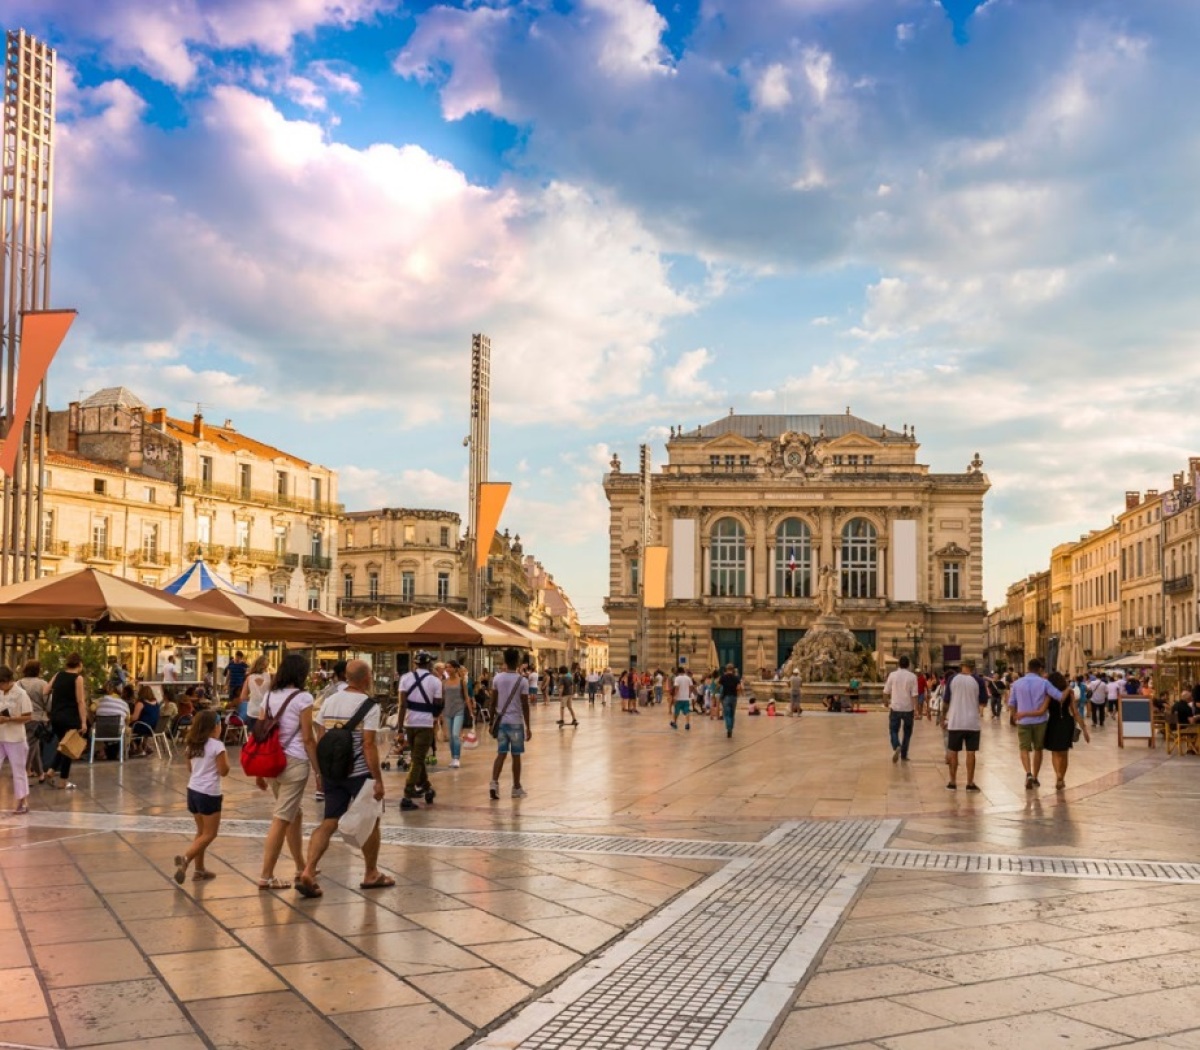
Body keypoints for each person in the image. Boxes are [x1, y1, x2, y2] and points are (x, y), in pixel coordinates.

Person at [296, 659, 391, 898]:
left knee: (329, 821)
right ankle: (371, 873)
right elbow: (369, 745)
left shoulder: (330, 700)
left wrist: (320, 772)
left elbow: (320, 736)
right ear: (366, 678)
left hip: (332, 772)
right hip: (359, 773)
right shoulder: (369, 705)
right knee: (371, 822)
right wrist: (378, 779)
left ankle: (308, 870)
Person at [255, 653, 319, 891]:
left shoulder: (269, 696)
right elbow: (308, 738)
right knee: (282, 818)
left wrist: (259, 772)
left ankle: (300, 865)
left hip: (272, 762)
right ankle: (266, 875)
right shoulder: (303, 698)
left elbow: (260, 734)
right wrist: (318, 771)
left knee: (294, 813)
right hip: (294, 762)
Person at [174, 710, 229, 884]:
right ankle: (186, 859)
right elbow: (224, 770)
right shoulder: (216, 745)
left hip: (193, 791)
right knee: (210, 834)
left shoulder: (192, 745)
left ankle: (199, 870)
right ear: (215, 727)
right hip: (209, 793)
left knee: (201, 832)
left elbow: (190, 769)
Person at [398, 651, 442, 810]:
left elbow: (402, 705)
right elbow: (438, 704)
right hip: (426, 724)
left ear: (415, 663)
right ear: (429, 664)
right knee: (417, 759)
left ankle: (426, 787)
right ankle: (407, 795)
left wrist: (399, 728)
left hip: (410, 723)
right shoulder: (435, 681)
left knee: (418, 757)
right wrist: (435, 717)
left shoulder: (405, 678)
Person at [1008, 657, 1059, 789]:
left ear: (1028, 668)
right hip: (1040, 721)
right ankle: (1035, 776)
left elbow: (1011, 703)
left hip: (1023, 721)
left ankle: (1028, 773)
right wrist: (1068, 691)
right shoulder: (1044, 683)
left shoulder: (1017, 683)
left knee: (1023, 748)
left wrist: (1014, 715)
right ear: (1040, 669)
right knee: (1038, 749)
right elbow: (1058, 696)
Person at [489, 647, 532, 800]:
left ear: (505, 661)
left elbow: (492, 702)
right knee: (516, 755)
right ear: (518, 662)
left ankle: (494, 783)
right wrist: (528, 726)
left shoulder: (497, 678)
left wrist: (490, 722)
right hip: (516, 723)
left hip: (501, 722)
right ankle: (516, 787)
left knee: (501, 754)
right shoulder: (522, 681)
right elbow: (525, 705)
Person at [939, 659, 984, 791]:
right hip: (972, 722)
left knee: (953, 752)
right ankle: (970, 783)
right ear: (973, 667)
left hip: (955, 721)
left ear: (961, 667)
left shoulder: (952, 679)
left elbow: (946, 701)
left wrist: (943, 717)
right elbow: (982, 702)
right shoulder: (978, 680)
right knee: (971, 753)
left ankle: (952, 782)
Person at [46, 653, 88, 789]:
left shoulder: (58, 675)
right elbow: (80, 701)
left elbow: (45, 690)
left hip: (56, 717)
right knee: (69, 748)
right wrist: (83, 722)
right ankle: (63, 780)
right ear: (79, 664)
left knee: (63, 745)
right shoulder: (78, 678)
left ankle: (52, 770)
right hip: (70, 718)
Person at [1045, 670, 1089, 790]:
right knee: (1064, 753)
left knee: (1055, 752)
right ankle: (1062, 778)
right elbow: (1075, 712)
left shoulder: (1048, 693)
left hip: (1053, 722)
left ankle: (1058, 775)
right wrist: (1084, 729)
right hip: (1066, 722)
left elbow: (1044, 709)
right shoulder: (1069, 692)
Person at [0, 667, 33, 815]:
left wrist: (10, 719)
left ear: (7, 681)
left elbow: (28, 716)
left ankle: (22, 800)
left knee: (18, 770)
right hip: (0, 735)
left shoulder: (21, 694)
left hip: (15, 737)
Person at [19, 660, 51, 782]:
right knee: (30, 746)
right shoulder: (43, 684)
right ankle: (24, 772)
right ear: (38, 670)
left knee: (34, 745)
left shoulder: (18, 683)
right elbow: (48, 703)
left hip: (22, 717)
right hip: (37, 718)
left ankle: (40, 773)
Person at [883, 655, 918, 763]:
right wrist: (916, 709)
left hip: (895, 707)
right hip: (908, 708)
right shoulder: (912, 677)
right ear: (908, 665)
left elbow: (886, 691)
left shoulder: (892, 675)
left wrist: (886, 702)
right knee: (907, 732)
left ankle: (896, 745)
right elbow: (915, 695)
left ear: (898, 664)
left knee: (893, 730)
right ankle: (904, 754)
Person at [443, 660, 474, 764]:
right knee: (450, 736)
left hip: (459, 710)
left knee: (456, 734)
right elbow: (442, 698)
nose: (448, 669)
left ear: (455, 668)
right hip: (447, 711)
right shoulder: (444, 682)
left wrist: (470, 711)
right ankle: (453, 757)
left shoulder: (462, 681)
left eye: (450, 667)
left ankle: (456, 757)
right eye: (446, 667)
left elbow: (466, 697)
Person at [92, 680, 131, 760]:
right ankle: (122, 753)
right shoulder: (123, 703)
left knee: (92, 730)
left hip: (101, 730)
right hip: (117, 730)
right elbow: (128, 719)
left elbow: (91, 709)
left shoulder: (99, 701)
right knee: (128, 730)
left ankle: (101, 751)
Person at [240, 655, 271, 735]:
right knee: (265, 737)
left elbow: (243, 697)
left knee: (253, 737)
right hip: (265, 711)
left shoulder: (249, 678)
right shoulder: (269, 677)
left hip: (252, 711)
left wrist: (253, 697)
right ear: (266, 666)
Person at [129, 684, 161, 756]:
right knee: (139, 725)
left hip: (144, 727)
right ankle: (144, 746)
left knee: (130, 727)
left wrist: (128, 717)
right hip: (154, 727)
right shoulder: (156, 703)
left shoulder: (141, 703)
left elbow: (135, 717)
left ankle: (138, 748)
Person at [718, 663, 742, 739]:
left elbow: (718, 685)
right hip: (734, 697)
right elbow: (738, 688)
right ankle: (731, 728)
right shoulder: (736, 678)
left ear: (726, 669)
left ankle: (728, 729)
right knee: (732, 714)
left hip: (725, 697)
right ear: (733, 669)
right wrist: (737, 694)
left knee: (727, 714)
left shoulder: (723, 677)